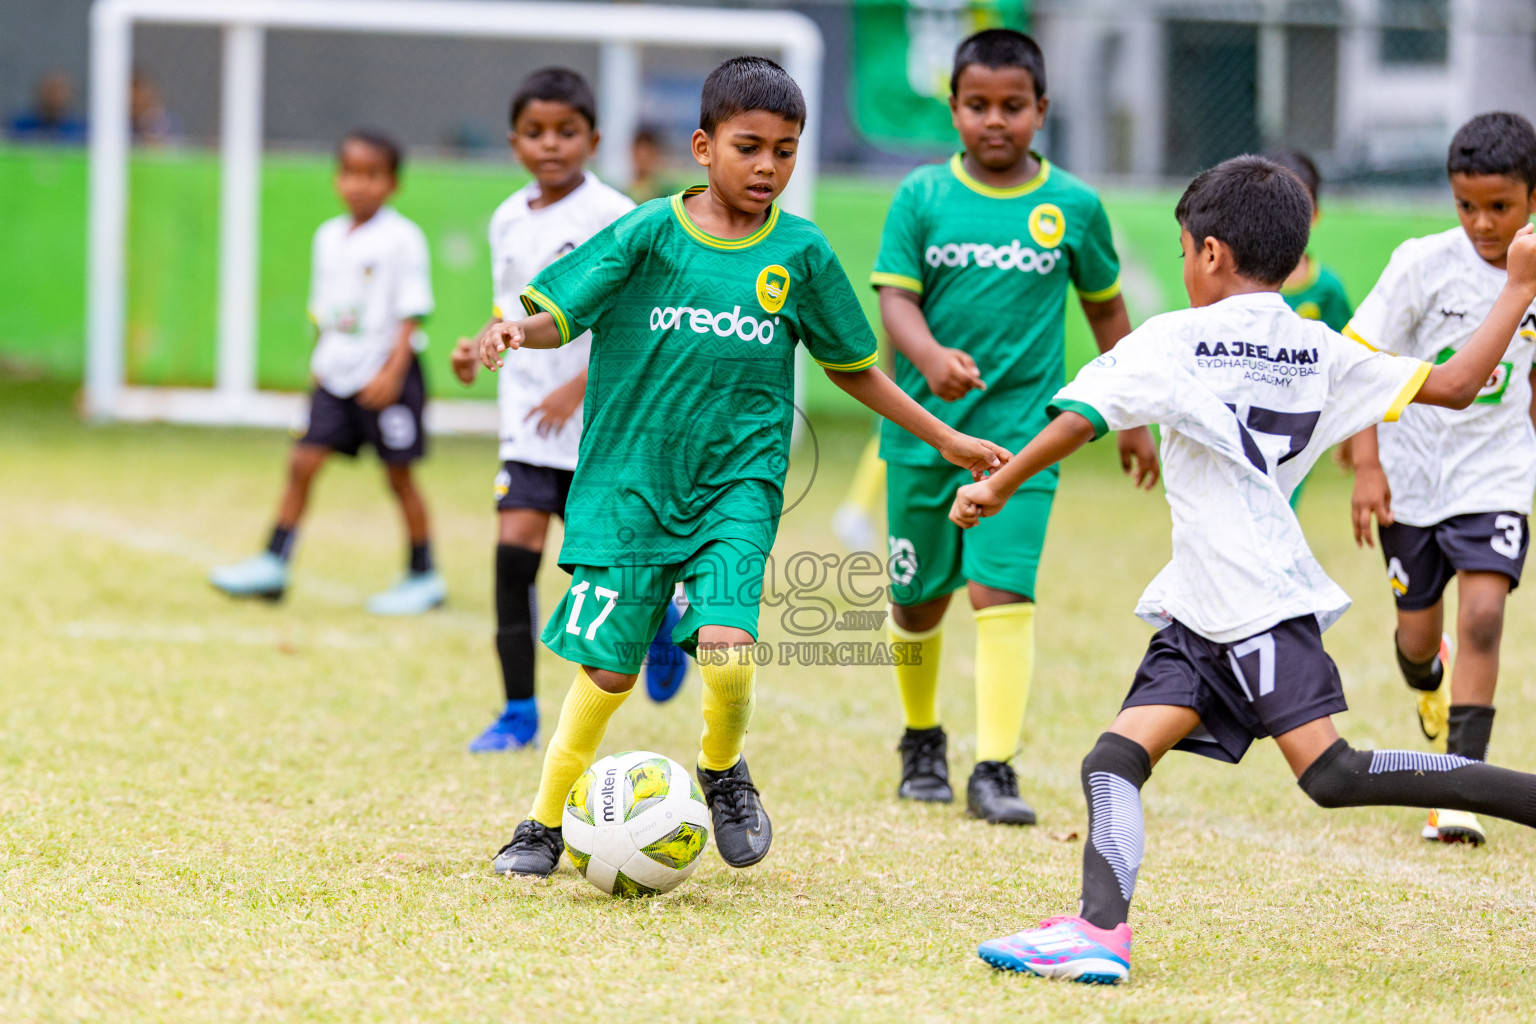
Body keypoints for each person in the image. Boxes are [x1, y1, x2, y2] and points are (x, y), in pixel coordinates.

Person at [950, 155, 1536, 984]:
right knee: (1114, 759)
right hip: (1204, 604)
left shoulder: (1174, 339)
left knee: (1333, 774)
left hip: (1251, 601)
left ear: (1212, 253)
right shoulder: (1321, 348)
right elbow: (1458, 382)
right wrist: (1517, 290)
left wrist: (997, 485)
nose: (1187, 265)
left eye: (1188, 251)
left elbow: (1083, 417)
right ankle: (1098, 931)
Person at [480, 56, 1010, 879]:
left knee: (727, 647)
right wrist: (517, 330)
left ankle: (722, 770)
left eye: (786, 151)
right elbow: (562, 313)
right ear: (703, 145)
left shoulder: (800, 251)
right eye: (750, 146)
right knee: (611, 668)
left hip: (739, 483)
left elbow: (853, 367)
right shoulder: (648, 230)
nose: (768, 167)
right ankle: (544, 820)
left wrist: (945, 438)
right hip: (630, 482)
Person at [869, 29, 1159, 825]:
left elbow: (1106, 308)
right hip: (924, 435)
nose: (994, 121)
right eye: (976, 105)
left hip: (1024, 438)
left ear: (1042, 110)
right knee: (918, 601)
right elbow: (895, 300)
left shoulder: (1072, 205)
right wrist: (926, 356)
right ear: (953, 108)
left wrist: (1129, 414)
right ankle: (921, 738)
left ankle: (995, 768)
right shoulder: (922, 196)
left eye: (1012, 106)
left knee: (1002, 594)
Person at [451, 68, 687, 754]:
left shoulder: (613, 216)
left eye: (565, 132)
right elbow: (511, 304)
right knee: (511, 562)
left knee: (601, 573)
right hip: (525, 426)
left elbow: (643, 319)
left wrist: (578, 386)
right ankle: (518, 710)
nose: (550, 145)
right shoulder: (505, 217)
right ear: (513, 140)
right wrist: (477, 342)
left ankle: (662, 626)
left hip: (599, 432)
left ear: (594, 138)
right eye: (535, 133)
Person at [1344, 112, 1536, 846]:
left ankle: (1461, 785)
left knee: (1484, 616)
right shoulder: (1422, 264)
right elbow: (1359, 363)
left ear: (1531, 198)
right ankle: (1429, 684)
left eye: (1500, 207)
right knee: (1418, 639)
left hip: (1496, 472)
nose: (1482, 224)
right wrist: (1367, 465)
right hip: (1412, 477)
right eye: (1466, 206)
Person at [209, 132, 445, 615]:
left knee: (398, 476)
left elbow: (412, 312)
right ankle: (273, 563)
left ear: (393, 183)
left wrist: (393, 372)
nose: (359, 185)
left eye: (372, 175)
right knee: (302, 463)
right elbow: (326, 311)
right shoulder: (328, 238)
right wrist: (319, 365)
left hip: (386, 376)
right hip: (335, 375)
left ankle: (424, 574)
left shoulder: (402, 239)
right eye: (350, 173)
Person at [1266, 148, 1354, 508]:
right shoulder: (1236, 282)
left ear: (1314, 214)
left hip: (1297, 423)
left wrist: (1353, 435)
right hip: (1241, 413)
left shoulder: (1327, 289)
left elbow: (1351, 361)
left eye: (1296, 206)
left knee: (1280, 507)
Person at [7, 71, 87, 143]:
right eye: (50, 91)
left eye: (60, 92)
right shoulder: (19, 125)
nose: (55, 97)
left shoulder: (80, 130)